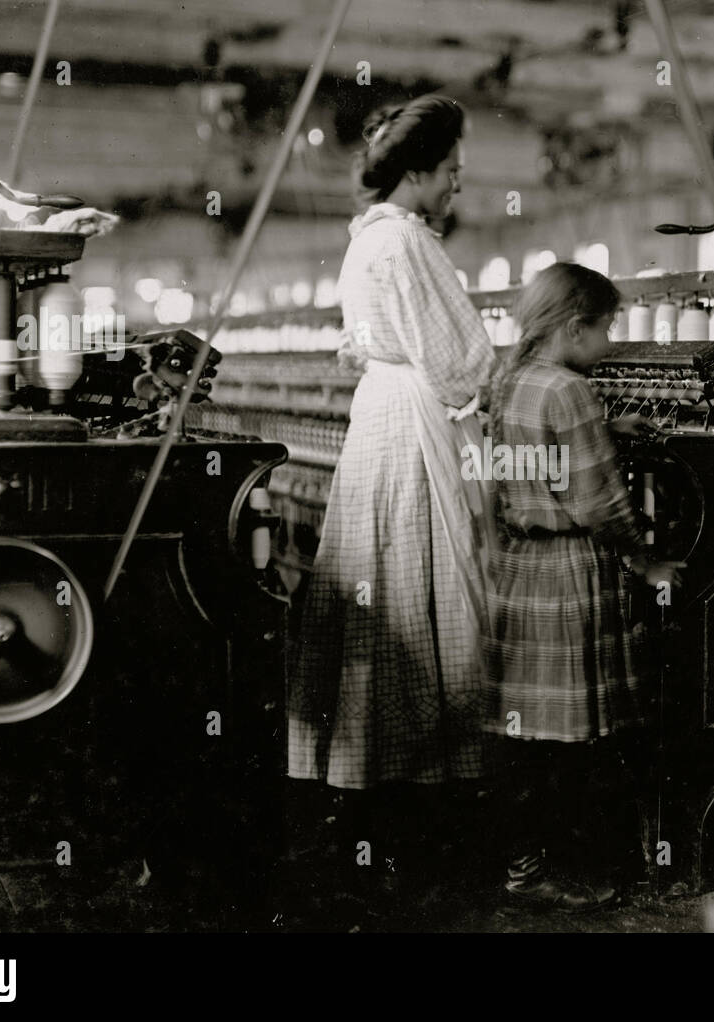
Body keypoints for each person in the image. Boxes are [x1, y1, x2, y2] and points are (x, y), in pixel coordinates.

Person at [287, 96, 496, 811]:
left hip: (379, 411)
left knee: (383, 573)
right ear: (416, 171)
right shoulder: (408, 241)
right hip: (415, 417)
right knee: (431, 582)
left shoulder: (365, 239)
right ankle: (425, 771)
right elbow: (457, 356)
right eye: (449, 171)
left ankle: (370, 762)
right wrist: (482, 436)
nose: (456, 185)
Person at [485, 261, 684, 912]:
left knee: (528, 733)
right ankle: (566, 875)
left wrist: (605, 430)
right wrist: (647, 564)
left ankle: (522, 867)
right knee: (577, 738)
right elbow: (600, 503)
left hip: (518, 570)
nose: (610, 343)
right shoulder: (570, 391)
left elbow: (523, 463)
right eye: (607, 329)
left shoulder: (509, 378)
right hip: (569, 573)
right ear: (575, 328)